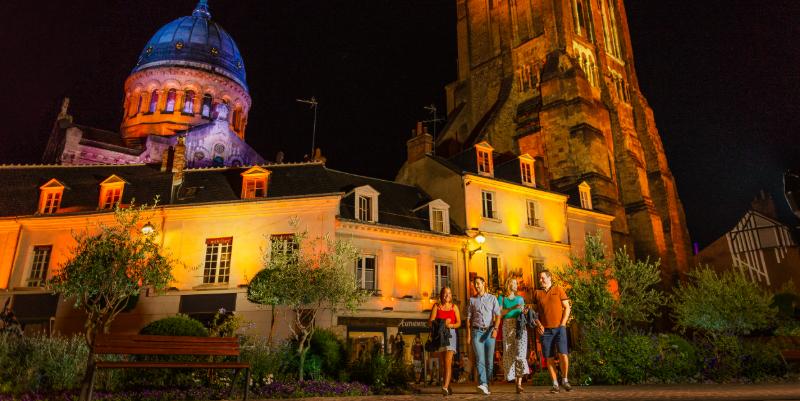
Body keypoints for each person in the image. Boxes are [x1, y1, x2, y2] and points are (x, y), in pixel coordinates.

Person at [532, 270, 572, 393]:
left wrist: (563, 324)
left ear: (549, 278)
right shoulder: (537, 293)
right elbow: (534, 313)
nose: (540, 280)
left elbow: (567, 307)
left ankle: (565, 380)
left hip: (559, 328)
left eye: (542, 278)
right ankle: (555, 384)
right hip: (545, 331)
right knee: (549, 357)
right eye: (540, 278)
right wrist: (538, 324)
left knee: (563, 354)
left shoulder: (558, 289)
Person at [465, 276, 501, 395]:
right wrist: (468, 335)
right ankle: (483, 384)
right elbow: (468, 319)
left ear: (483, 283)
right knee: (480, 359)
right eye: (474, 284)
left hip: (490, 332)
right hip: (476, 332)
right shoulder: (472, 300)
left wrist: (496, 329)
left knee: (489, 362)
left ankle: (487, 382)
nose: (476, 286)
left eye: (478, 283)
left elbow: (498, 315)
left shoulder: (492, 298)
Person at [499, 277, 530, 393]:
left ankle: (519, 383)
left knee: (520, 354)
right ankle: (515, 381)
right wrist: (512, 307)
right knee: (509, 353)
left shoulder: (520, 298)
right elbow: (500, 313)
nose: (516, 285)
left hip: (520, 325)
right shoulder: (502, 298)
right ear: (509, 284)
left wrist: (525, 311)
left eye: (517, 283)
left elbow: (522, 313)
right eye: (514, 283)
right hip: (507, 326)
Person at [429, 286, 461, 396]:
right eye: (445, 293)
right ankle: (448, 386)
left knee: (447, 361)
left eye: (449, 293)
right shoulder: (436, 306)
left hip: (451, 334)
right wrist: (442, 322)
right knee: (444, 363)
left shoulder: (454, 307)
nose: (447, 295)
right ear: (441, 295)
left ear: (451, 295)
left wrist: (450, 325)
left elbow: (459, 323)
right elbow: (430, 321)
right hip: (440, 335)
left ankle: (445, 387)